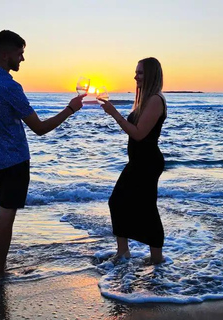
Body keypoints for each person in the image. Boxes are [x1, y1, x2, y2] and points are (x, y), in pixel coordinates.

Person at [0, 30, 85, 279]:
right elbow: (39, 128)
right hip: (16, 161)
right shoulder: (10, 86)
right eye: (20, 54)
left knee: (4, 208)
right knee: (7, 212)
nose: (22, 60)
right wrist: (71, 108)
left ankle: (0, 267)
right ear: (5, 55)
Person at [99, 57, 167, 264]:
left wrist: (114, 114)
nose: (135, 76)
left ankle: (156, 257)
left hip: (147, 163)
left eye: (140, 73)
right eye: (136, 72)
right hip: (139, 161)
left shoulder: (156, 99)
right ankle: (123, 251)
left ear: (151, 75)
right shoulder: (146, 100)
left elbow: (138, 134)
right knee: (120, 202)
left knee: (144, 207)